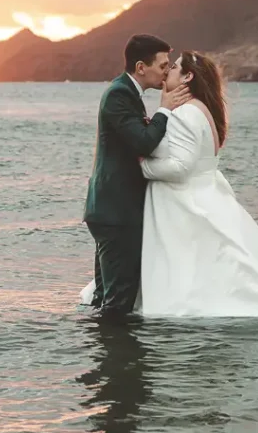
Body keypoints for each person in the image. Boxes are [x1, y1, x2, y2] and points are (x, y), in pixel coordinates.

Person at [81, 50, 258, 317]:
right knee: (204, 258)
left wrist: (141, 166)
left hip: (182, 198)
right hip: (204, 193)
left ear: (188, 76)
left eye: (173, 67)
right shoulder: (203, 109)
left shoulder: (187, 113)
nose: (167, 72)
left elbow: (180, 166)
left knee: (185, 261)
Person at [82, 34, 191, 318]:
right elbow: (144, 142)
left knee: (106, 299)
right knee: (118, 303)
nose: (167, 72)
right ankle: (117, 359)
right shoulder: (119, 94)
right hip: (115, 213)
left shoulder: (127, 93)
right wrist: (165, 109)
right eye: (163, 65)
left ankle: (105, 355)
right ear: (141, 67)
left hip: (112, 211)